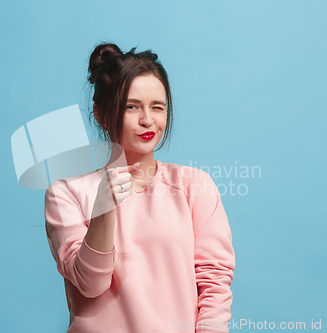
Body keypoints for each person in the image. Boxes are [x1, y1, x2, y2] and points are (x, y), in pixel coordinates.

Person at [44, 42, 235, 333]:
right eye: (132, 106)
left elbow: (214, 283)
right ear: (101, 113)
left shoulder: (194, 186)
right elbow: (91, 284)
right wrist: (103, 210)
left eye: (157, 107)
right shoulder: (65, 194)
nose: (148, 120)